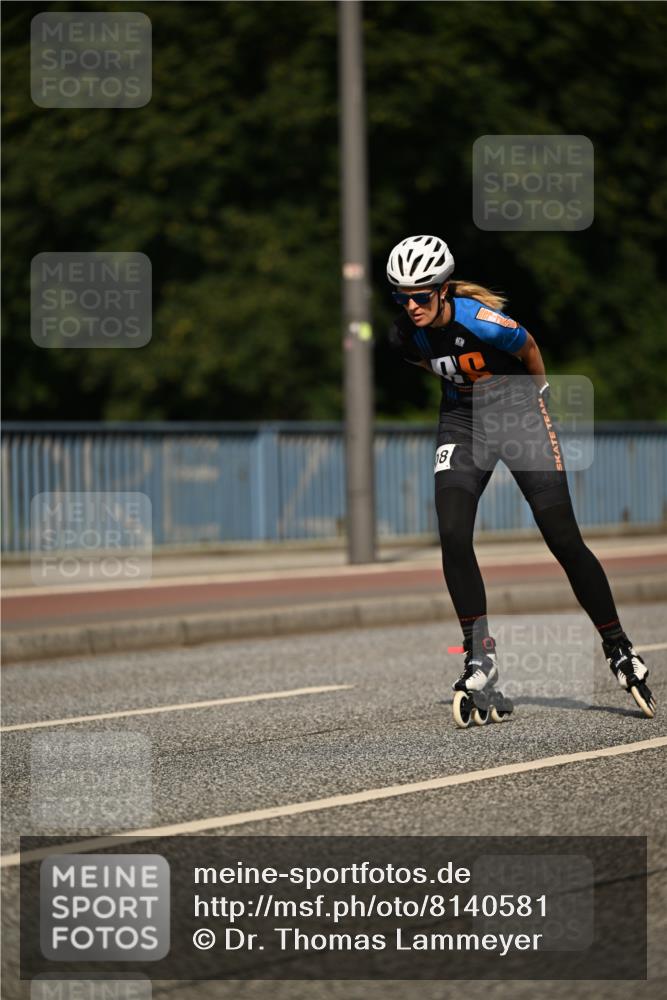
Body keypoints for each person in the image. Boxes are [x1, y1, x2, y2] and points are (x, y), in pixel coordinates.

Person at [386, 234, 655, 722]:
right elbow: (433, 365)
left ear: (443, 291)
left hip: (519, 415)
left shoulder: (484, 322)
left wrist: (538, 399)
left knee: (562, 538)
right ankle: (478, 655)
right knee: (451, 531)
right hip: (463, 423)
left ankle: (617, 646)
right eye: (400, 296)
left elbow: (529, 348)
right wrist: (466, 393)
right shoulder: (405, 334)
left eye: (420, 296)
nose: (410, 306)